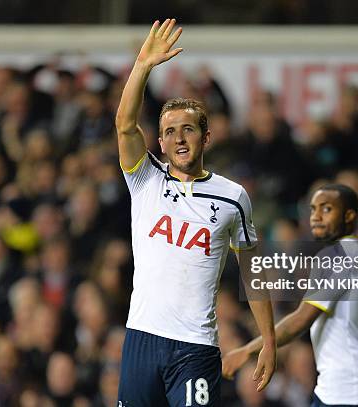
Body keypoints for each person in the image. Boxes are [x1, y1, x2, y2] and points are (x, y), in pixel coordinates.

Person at [115, 18, 276, 406]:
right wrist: (143, 66)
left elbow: (253, 271)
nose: (178, 138)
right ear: (160, 142)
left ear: (206, 137)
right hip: (141, 338)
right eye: (170, 132)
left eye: (187, 129)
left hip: (196, 348)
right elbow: (124, 126)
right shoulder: (145, 179)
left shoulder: (233, 197)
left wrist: (269, 340)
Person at [223, 184, 358, 407]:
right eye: (313, 209)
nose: (315, 216)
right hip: (349, 384)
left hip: (346, 387)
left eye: (326, 209)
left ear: (349, 216)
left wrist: (248, 350)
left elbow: (300, 320)